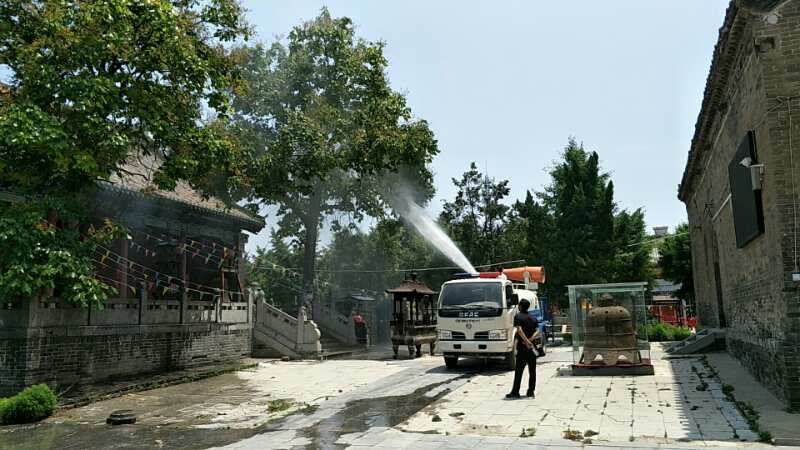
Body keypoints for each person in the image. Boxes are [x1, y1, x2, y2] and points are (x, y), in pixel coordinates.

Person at [507, 298, 540, 399]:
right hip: (532, 347)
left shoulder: (518, 316)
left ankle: (515, 392)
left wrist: (526, 341)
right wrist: (531, 340)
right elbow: (537, 331)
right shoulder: (533, 318)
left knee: (519, 370)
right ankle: (531, 392)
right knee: (532, 370)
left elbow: (519, 330)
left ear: (520, 306)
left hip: (523, 347)